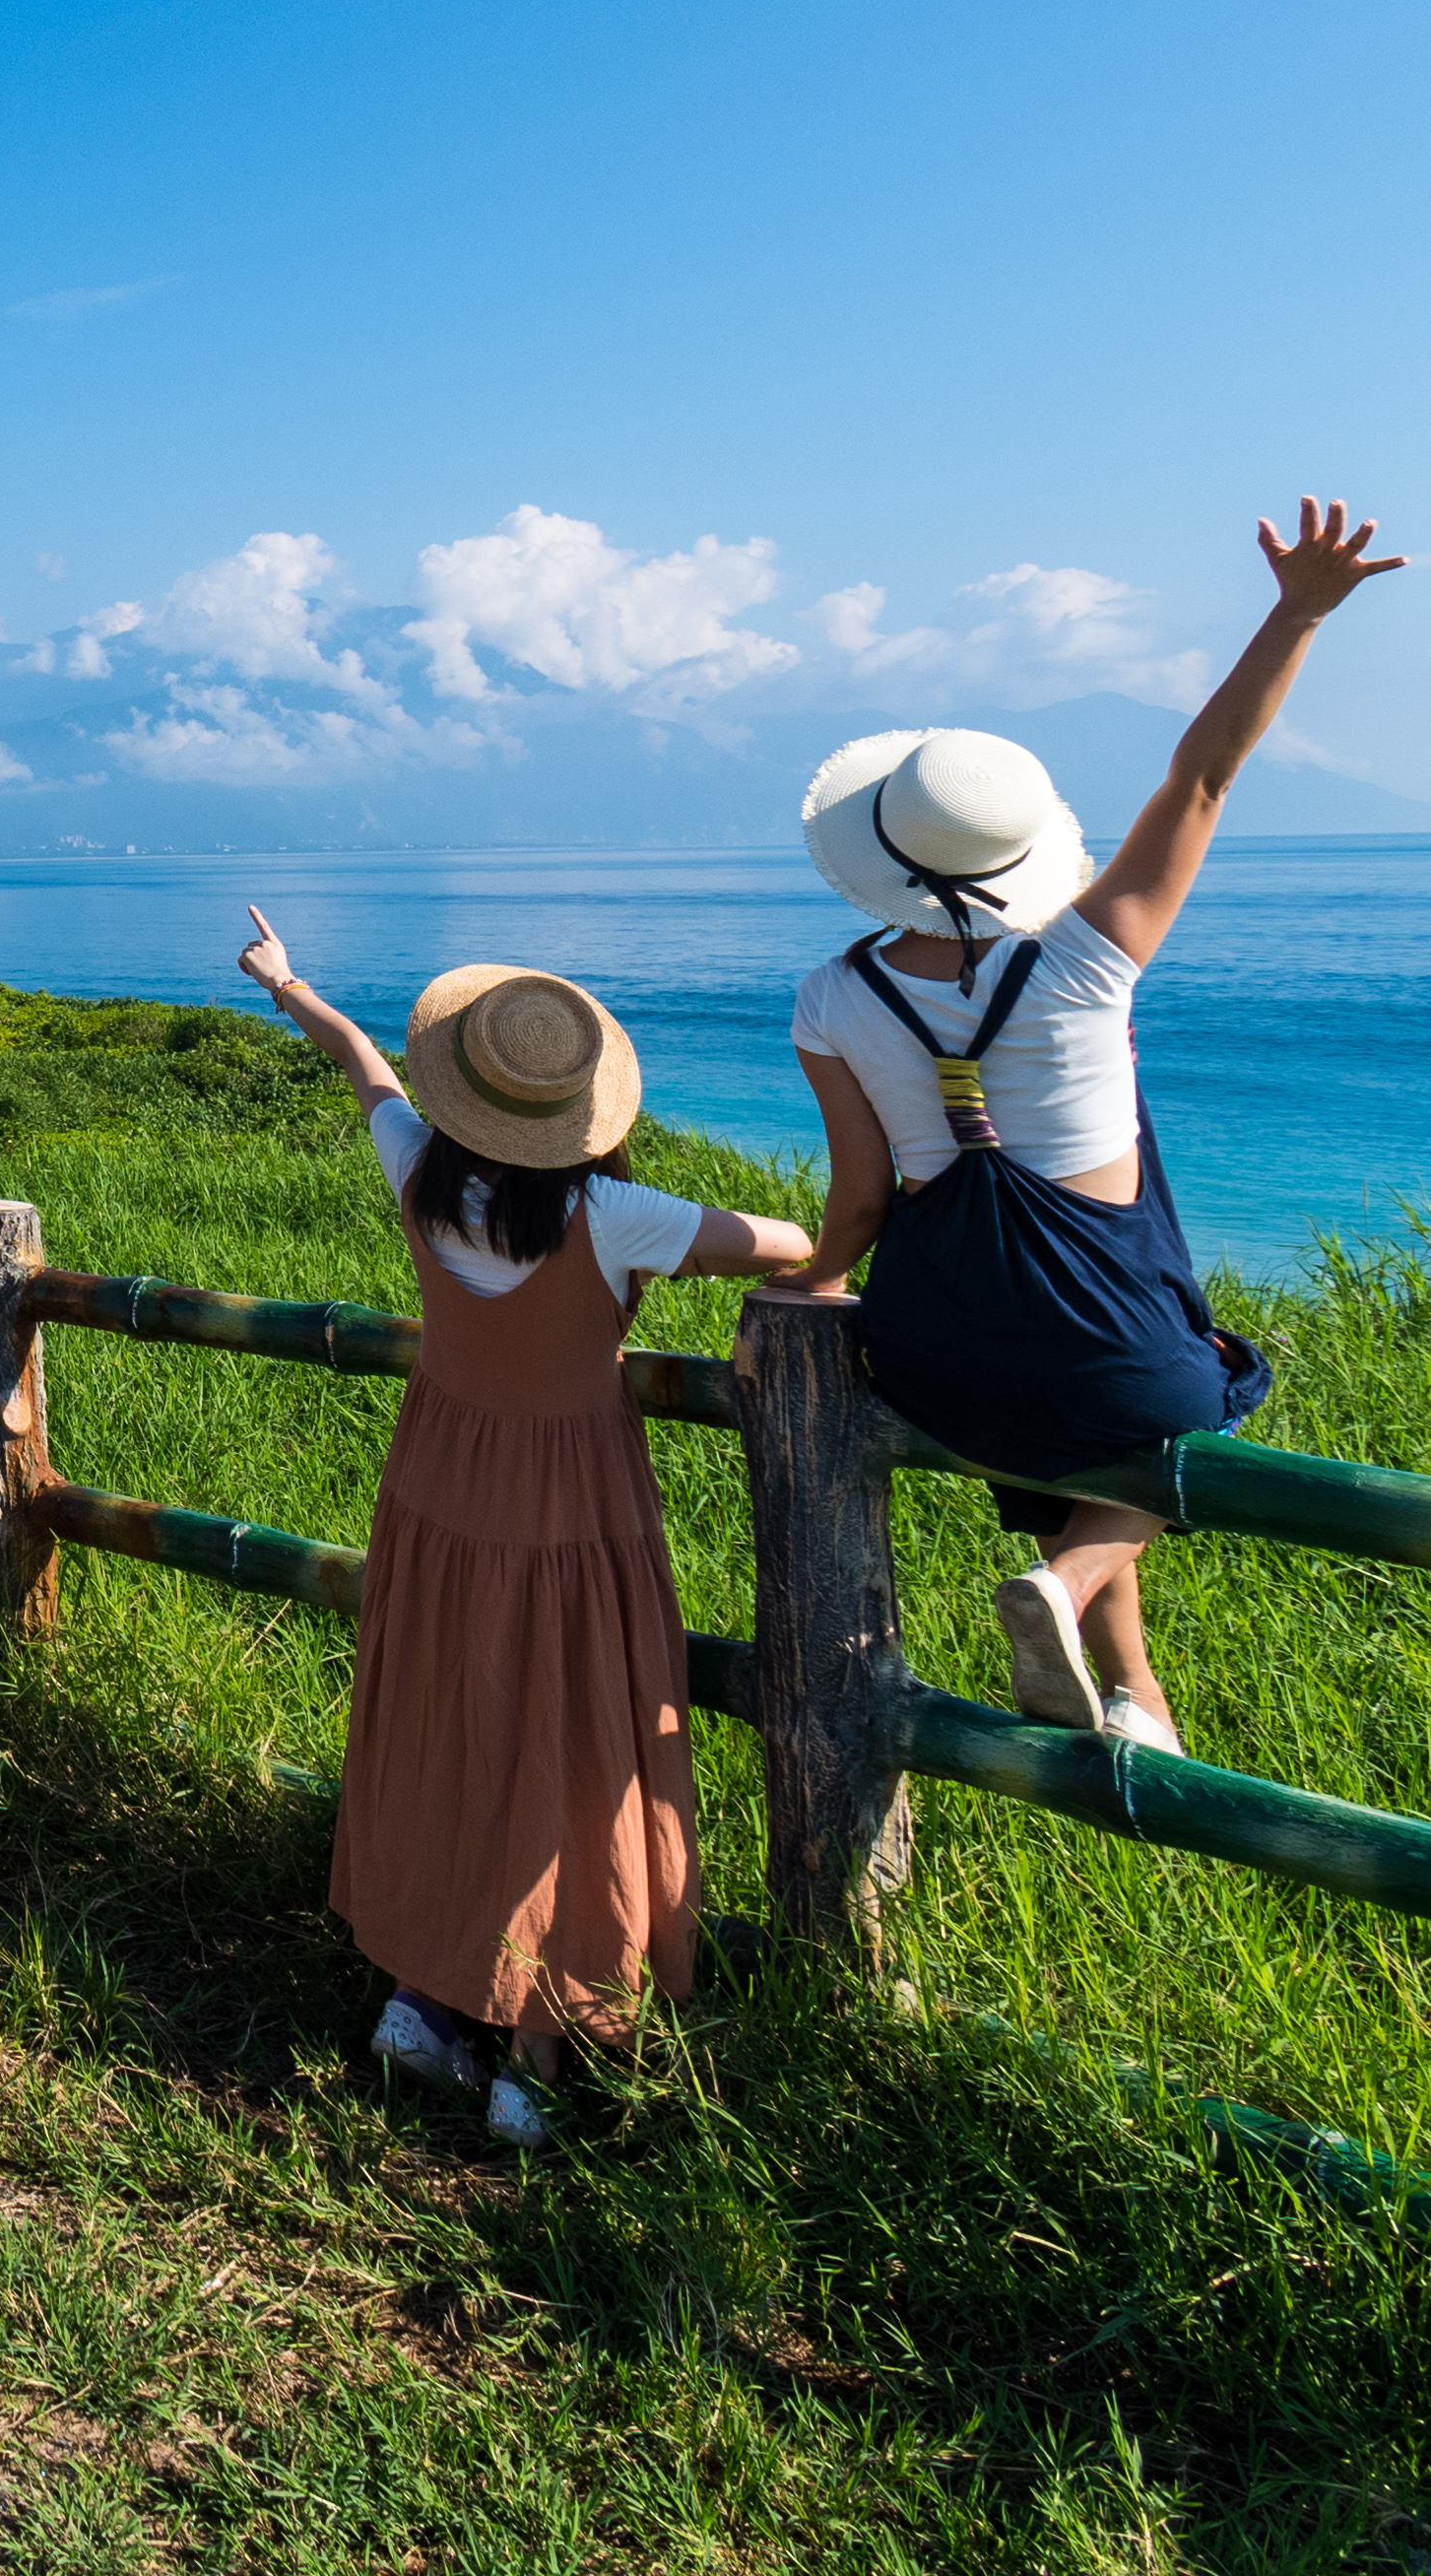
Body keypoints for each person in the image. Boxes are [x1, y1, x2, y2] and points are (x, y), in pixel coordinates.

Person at [777, 497, 1403, 1753]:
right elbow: (1203, 775)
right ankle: (1059, 1590)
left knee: (1072, 1419)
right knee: (1201, 1391)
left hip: (930, 1344)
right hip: (1097, 1329)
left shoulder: (830, 996)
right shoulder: (1086, 958)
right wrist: (1295, 616)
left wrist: (807, 1290)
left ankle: (1133, 1693)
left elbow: (854, 1203)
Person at [236, 914, 812, 2145]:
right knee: (566, 1748)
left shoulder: (413, 1165)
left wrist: (286, 984)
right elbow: (793, 1243)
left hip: (438, 1487)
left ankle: (420, 2000)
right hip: (567, 1508)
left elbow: (363, 1064)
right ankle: (530, 2055)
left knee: (450, 1724)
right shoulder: (617, 1220)